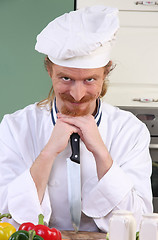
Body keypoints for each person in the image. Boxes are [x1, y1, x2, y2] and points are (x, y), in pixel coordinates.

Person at [0, 5, 153, 233]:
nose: (77, 94)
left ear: (106, 72)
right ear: (49, 70)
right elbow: (6, 217)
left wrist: (101, 154)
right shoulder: (15, 127)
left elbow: (141, 223)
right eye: (66, 78)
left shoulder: (130, 131)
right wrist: (48, 152)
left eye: (90, 79)